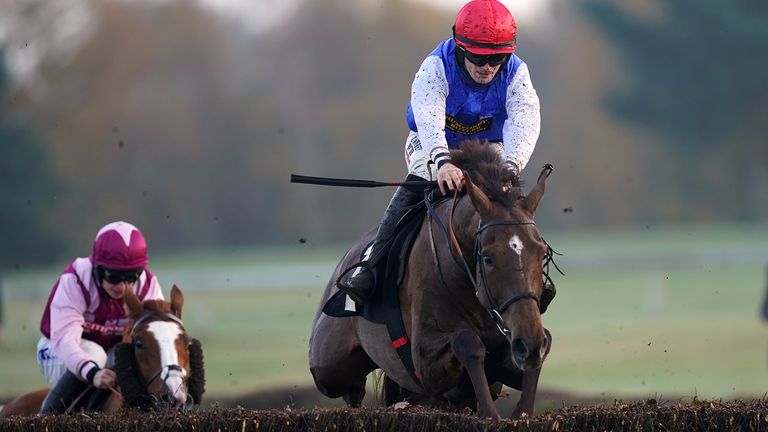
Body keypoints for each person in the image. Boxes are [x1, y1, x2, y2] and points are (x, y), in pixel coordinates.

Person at [338, 0, 541, 306]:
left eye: (497, 58)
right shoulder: (436, 66)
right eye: (478, 58)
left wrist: (509, 170)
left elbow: (525, 121)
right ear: (461, 49)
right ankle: (371, 266)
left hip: (487, 146)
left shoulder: (516, 73)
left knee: (508, 196)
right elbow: (429, 113)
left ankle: (532, 271)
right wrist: (443, 161)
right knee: (425, 172)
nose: (487, 67)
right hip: (431, 141)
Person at [37, 221, 164, 414]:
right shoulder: (76, 280)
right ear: (97, 267)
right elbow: (65, 340)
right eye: (114, 276)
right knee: (95, 356)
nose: (122, 286)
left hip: (109, 351)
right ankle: (44, 418)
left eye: (131, 277)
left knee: (135, 356)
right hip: (57, 349)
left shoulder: (148, 285)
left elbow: (159, 338)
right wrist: (92, 373)